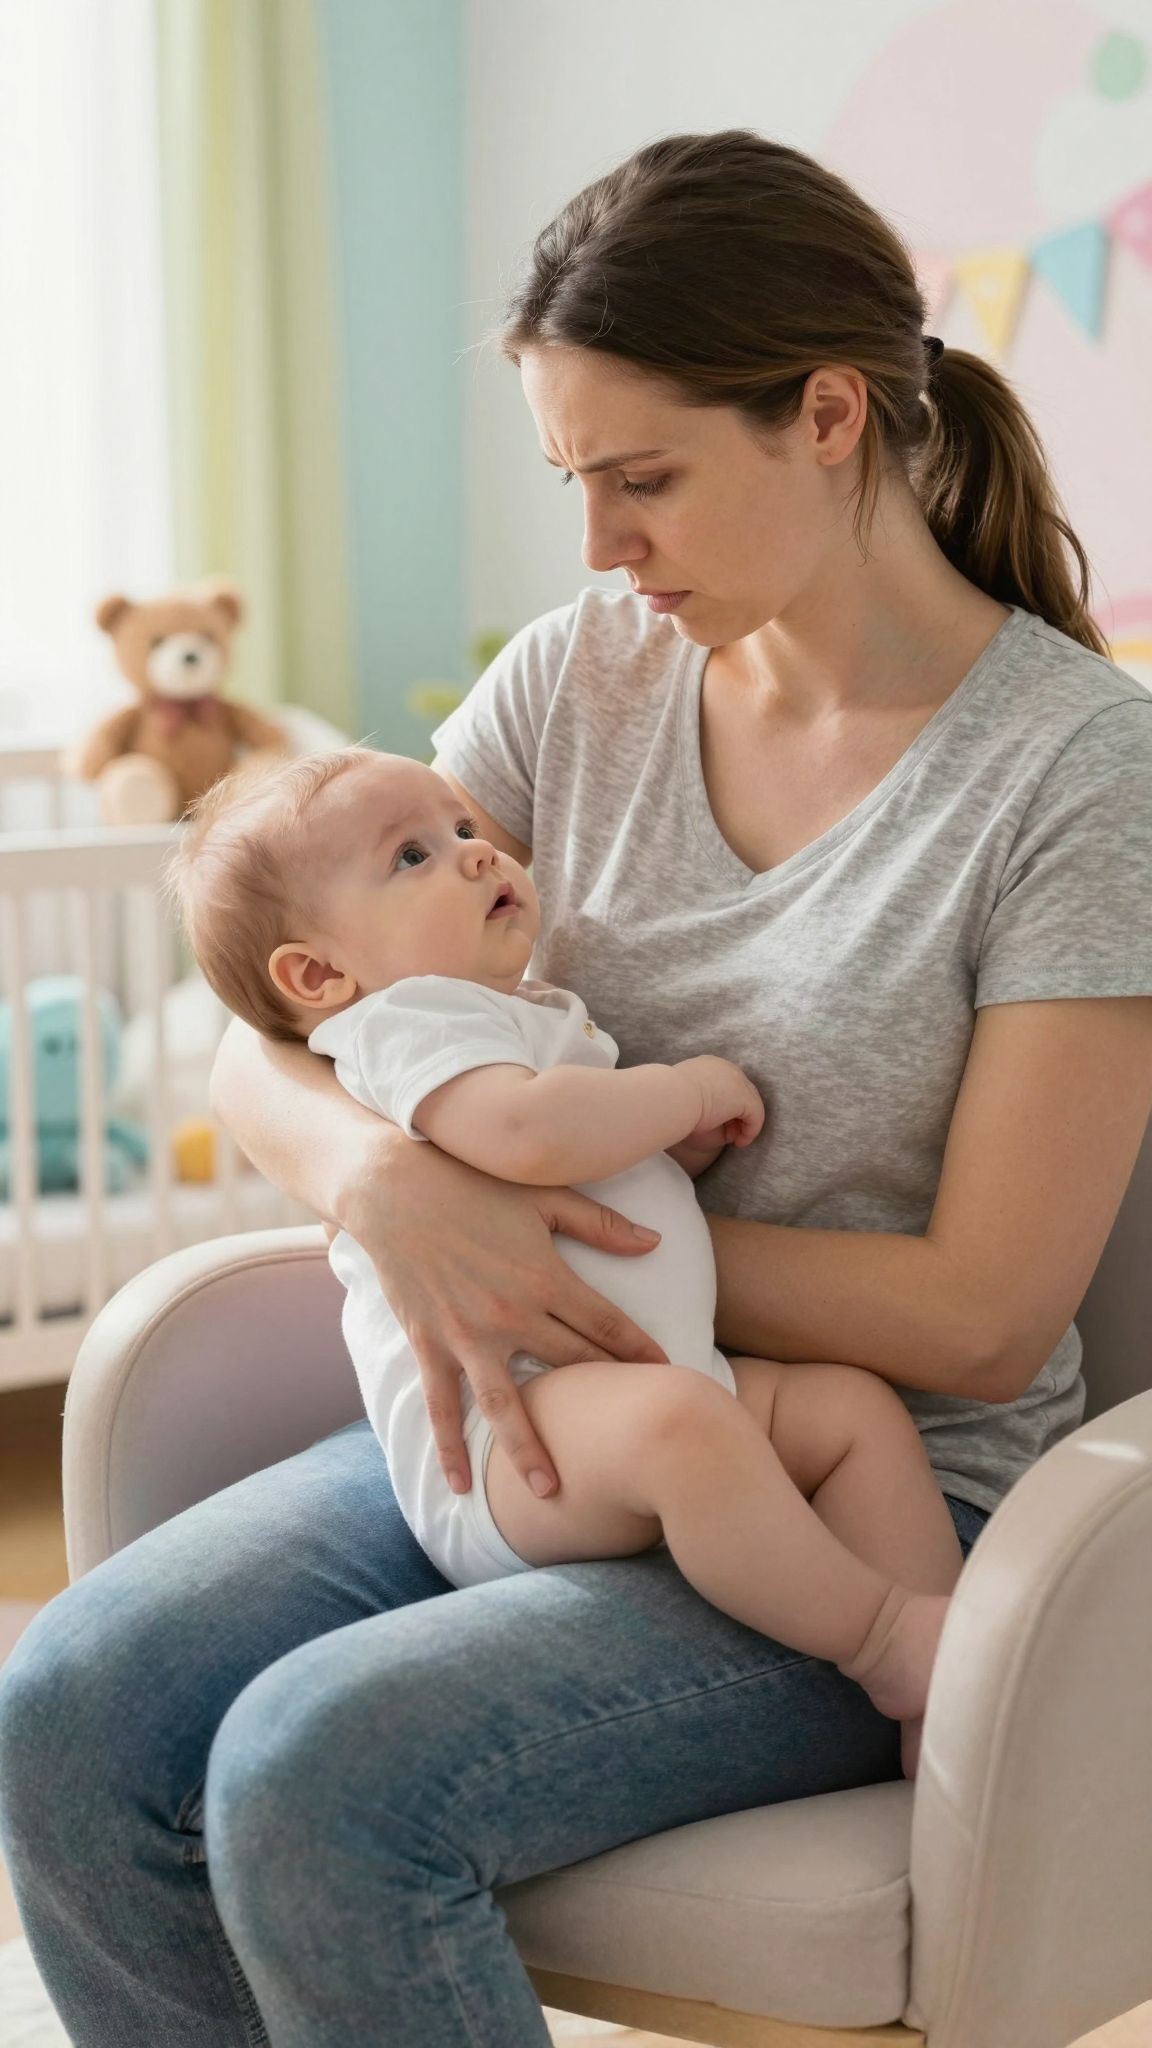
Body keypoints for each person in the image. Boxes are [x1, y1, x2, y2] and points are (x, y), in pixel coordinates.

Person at [2, 127, 1151, 2048]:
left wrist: (554, 1237)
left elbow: (980, 1311)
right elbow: (267, 1026)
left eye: (643, 481)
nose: (602, 547)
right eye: (572, 484)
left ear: (828, 416)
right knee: (72, 1704)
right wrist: (390, 1190)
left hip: (847, 1497)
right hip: (514, 1429)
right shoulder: (577, 680)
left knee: (321, 1772)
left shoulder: (1076, 776)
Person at [165, 743, 965, 1772]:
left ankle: (949, 1701)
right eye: (411, 856)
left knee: (851, 1412)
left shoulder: (515, 1012)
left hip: (643, 1387)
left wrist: (652, 1150)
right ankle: (884, 1636)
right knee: (685, 1429)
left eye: (462, 829)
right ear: (320, 974)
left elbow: (562, 1144)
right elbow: (528, 1137)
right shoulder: (401, 1022)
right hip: (518, 1445)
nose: (472, 855)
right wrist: (684, 1092)